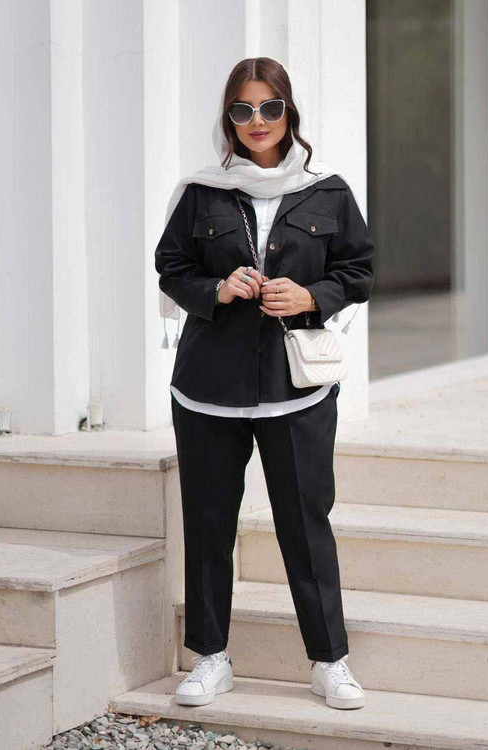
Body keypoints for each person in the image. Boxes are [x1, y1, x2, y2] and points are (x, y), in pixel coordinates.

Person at [154, 57, 375, 711]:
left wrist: (310, 296)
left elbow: (358, 271)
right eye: (243, 109)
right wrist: (216, 289)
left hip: (296, 389)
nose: (257, 121)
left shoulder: (327, 191)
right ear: (229, 118)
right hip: (207, 388)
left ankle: (329, 662)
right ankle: (210, 658)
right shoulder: (201, 192)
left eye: (269, 107)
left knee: (305, 525)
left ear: (288, 112)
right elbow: (171, 268)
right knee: (208, 524)